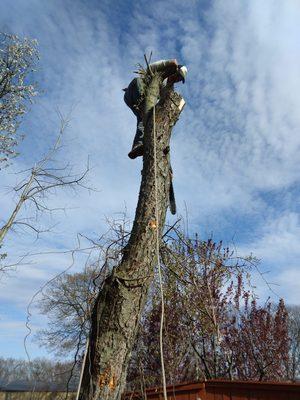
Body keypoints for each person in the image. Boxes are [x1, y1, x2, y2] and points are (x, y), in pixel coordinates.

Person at [123, 59, 187, 159]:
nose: (177, 80)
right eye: (178, 76)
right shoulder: (162, 71)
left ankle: (138, 145)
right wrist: (169, 63)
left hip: (132, 99)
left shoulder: (167, 87)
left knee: (143, 119)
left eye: (179, 79)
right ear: (175, 70)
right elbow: (150, 68)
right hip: (137, 87)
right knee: (146, 113)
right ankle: (140, 142)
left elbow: (165, 102)